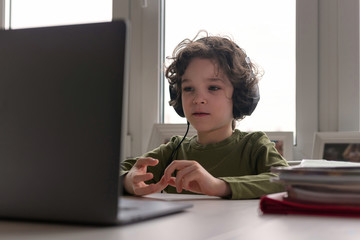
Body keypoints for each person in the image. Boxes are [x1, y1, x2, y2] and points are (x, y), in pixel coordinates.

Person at [121, 32, 288, 199]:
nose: (198, 99)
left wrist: (219, 186)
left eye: (213, 88)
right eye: (188, 89)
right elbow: (110, 173)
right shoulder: (173, 150)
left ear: (239, 96)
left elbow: (285, 181)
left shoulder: (255, 146)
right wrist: (128, 180)